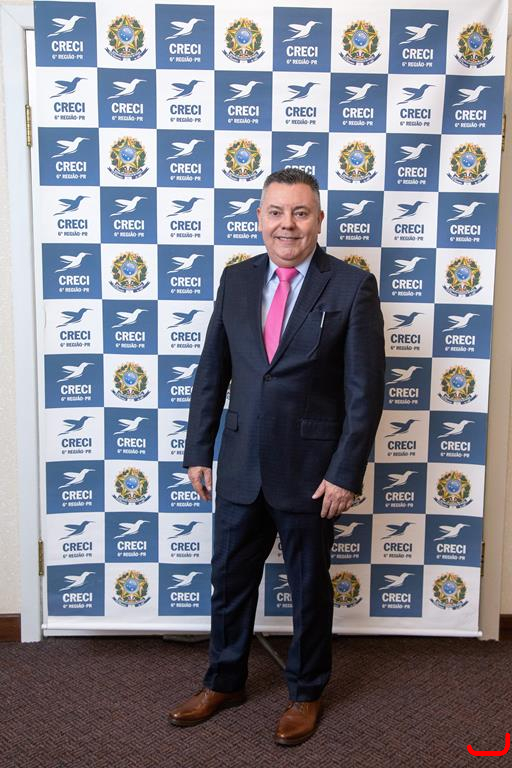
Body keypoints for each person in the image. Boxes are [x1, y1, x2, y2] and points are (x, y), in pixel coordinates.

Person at [169, 169, 385, 746]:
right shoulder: (236, 280)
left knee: (309, 587)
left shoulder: (351, 287)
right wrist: (199, 449)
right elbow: (212, 371)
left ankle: (307, 692)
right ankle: (224, 681)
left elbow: (365, 393)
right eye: (276, 212)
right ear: (260, 218)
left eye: (300, 212)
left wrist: (345, 472)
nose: (287, 224)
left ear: (319, 220)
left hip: (311, 474)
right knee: (228, 580)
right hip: (240, 462)